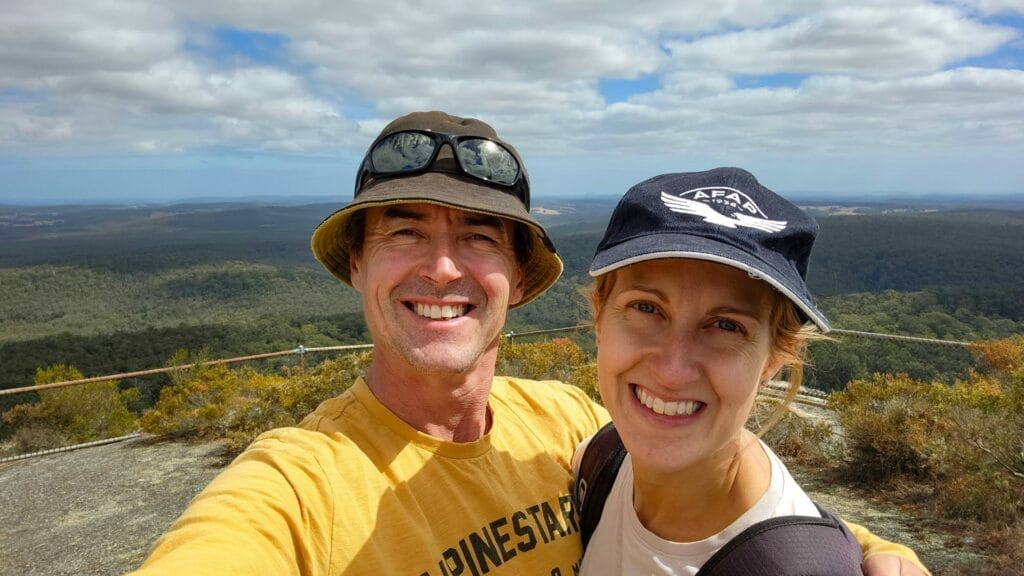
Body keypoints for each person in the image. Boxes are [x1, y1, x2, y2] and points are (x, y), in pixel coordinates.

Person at [130, 113, 925, 575]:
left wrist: (860, 549)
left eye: (479, 237)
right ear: (358, 265)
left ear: (517, 275)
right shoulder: (297, 485)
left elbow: (707, 501)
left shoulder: (571, 428)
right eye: (405, 231)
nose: (442, 266)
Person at [574, 167, 931, 575]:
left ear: (774, 359)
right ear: (600, 316)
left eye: (727, 325)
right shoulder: (598, 458)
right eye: (647, 308)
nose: (673, 370)